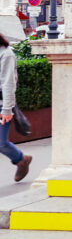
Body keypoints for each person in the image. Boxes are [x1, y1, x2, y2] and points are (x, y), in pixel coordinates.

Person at [0, 34, 30, 182]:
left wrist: (7, 109)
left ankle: (21, 159)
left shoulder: (6, 54)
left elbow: (8, 83)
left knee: (1, 143)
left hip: (1, 105)